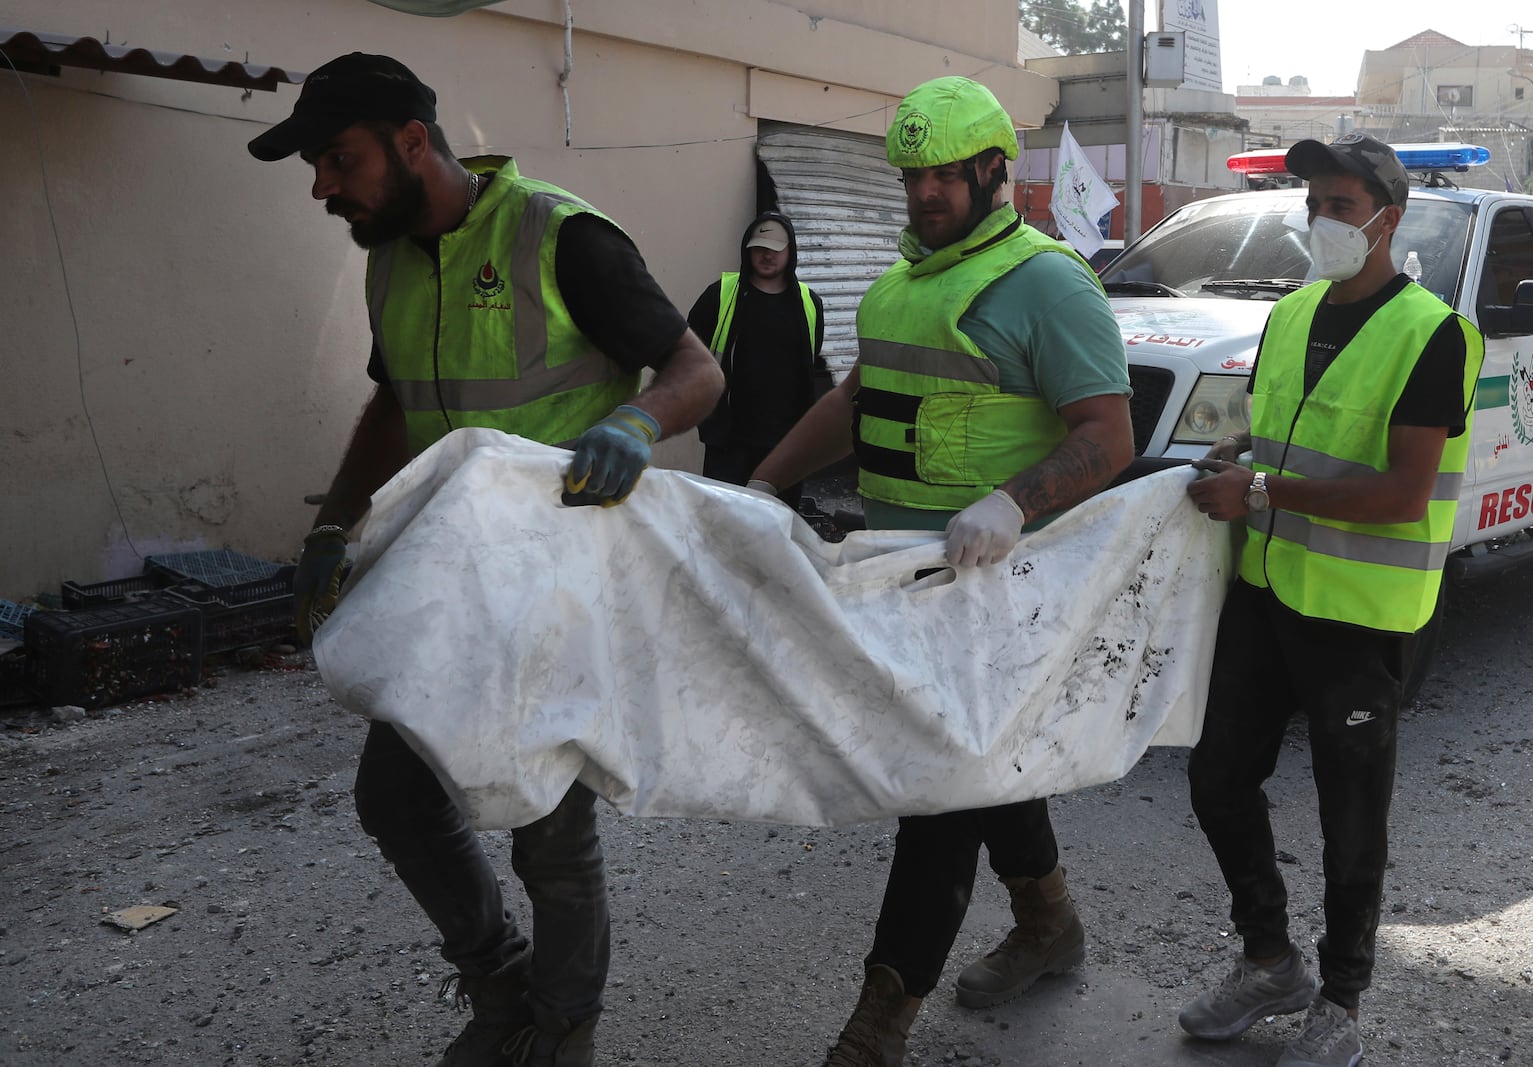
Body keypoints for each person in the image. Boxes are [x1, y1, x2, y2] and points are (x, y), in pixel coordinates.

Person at [247, 53, 723, 1067]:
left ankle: (561, 1033)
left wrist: (638, 423)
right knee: (397, 795)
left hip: (559, 581)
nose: (323, 185)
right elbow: (393, 404)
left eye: (339, 158)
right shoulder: (390, 255)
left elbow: (697, 369)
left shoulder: (561, 235)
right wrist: (333, 528)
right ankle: (502, 982)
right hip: (451, 579)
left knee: (546, 826)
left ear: (413, 142)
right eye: (318, 165)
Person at [749, 76, 1134, 1067]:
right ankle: (1049, 925)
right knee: (983, 768)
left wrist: (1011, 501)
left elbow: (1110, 434)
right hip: (903, 583)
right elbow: (855, 397)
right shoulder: (901, 281)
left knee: (940, 797)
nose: (923, 193)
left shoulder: (1048, 282)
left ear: (992, 169)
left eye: (941, 177)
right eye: (912, 176)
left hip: (996, 594)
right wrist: (763, 479)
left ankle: (877, 1024)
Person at [1183, 133, 1483, 1067]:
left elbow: (1401, 491)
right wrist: (1238, 457)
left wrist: (1261, 493)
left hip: (1358, 614)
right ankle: (1270, 960)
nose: (1321, 222)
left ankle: (1342, 1001)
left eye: (1341, 207)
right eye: (1312, 204)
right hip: (1268, 591)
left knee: (1350, 820)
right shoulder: (1291, 313)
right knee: (1216, 776)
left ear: (1388, 218)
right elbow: (1271, 433)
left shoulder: (1432, 330)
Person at [688, 211, 829, 510]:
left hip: (786, 443)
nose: (767, 255)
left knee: (777, 527)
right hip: (729, 442)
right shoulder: (720, 297)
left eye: (776, 249)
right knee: (722, 523)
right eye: (760, 247)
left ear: (790, 252)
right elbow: (687, 355)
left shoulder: (809, 303)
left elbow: (810, 361)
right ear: (748, 249)